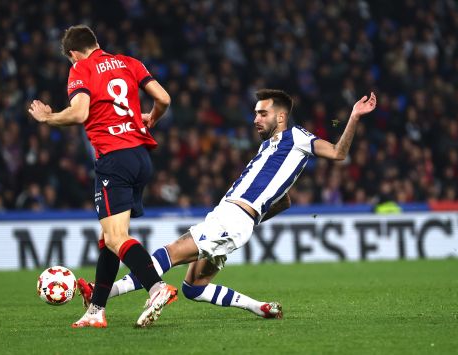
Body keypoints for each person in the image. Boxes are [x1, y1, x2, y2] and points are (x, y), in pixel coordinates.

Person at [77, 89, 377, 319]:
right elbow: (283, 201)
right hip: (236, 220)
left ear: (281, 117)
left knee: (169, 253)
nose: (255, 118)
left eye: (262, 113)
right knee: (193, 287)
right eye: (255, 113)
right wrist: (252, 218)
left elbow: (338, 153)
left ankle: (103, 294)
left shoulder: (297, 137)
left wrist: (353, 117)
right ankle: (259, 307)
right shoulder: (268, 147)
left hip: (232, 217)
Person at [28, 25, 177, 329]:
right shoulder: (128, 62)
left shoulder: (81, 68)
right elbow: (164, 98)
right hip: (140, 156)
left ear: (72, 54)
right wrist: (150, 119)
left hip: (114, 157)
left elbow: (80, 113)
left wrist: (48, 118)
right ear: (95, 42)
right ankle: (96, 310)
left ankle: (156, 286)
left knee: (115, 238)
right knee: (107, 239)